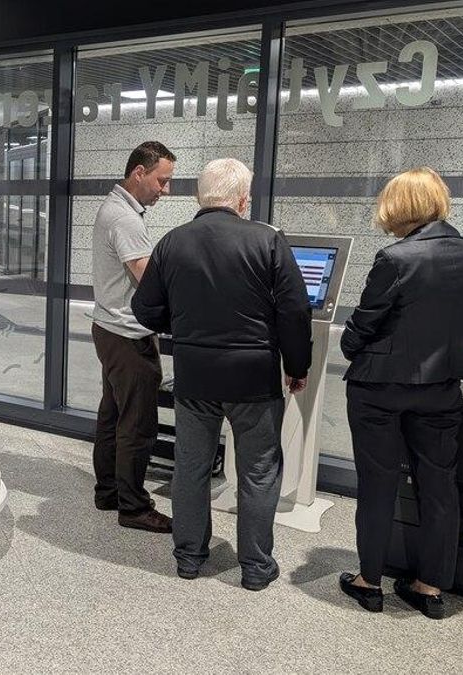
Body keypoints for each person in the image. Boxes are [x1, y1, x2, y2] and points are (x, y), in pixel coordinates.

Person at [132, 158, 311, 591]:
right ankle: (255, 567)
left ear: (200, 196)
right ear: (243, 199)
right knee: (259, 470)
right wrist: (297, 366)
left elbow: (145, 309)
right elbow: (294, 311)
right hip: (254, 378)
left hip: (195, 377)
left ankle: (189, 558)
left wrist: (186, 328)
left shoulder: (172, 243)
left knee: (191, 467)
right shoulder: (269, 241)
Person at [337, 167, 463, 620]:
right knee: (439, 485)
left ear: (397, 207)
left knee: (378, 482)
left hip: (378, 390)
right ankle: (429, 588)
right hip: (442, 388)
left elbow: (365, 324)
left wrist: (349, 346)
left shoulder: (395, 258)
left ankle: (369, 583)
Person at [89, 140, 176, 533]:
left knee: (112, 415)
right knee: (137, 424)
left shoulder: (114, 208)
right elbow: (147, 282)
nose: (165, 189)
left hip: (108, 328)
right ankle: (134, 506)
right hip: (127, 335)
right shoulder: (125, 219)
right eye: (162, 180)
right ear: (139, 172)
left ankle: (108, 491)